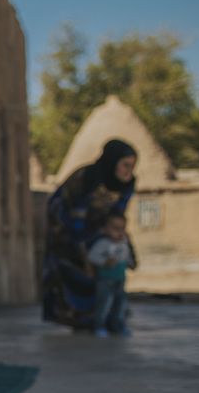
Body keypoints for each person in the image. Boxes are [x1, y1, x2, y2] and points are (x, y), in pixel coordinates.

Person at [42, 139, 137, 329]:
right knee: (73, 270)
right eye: (125, 165)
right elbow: (74, 212)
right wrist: (81, 243)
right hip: (66, 227)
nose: (129, 171)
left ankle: (105, 317)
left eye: (132, 166)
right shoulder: (88, 177)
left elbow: (118, 213)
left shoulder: (127, 184)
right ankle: (79, 317)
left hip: (98, 230)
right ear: (113, 162)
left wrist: (115, 233)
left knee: (106, 270)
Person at [86, 212, 136, 337]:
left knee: (120, 305)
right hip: (105, 279)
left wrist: (131, 263)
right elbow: (92, 257)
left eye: (122, 228)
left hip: (120, 279)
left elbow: (127, 257)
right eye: (115, 228)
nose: (119, 232)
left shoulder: (124, 243)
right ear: (105, 229)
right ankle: (99, 326)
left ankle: (118, 326)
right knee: (103, 304)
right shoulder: (102, 243)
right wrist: (105, 261)